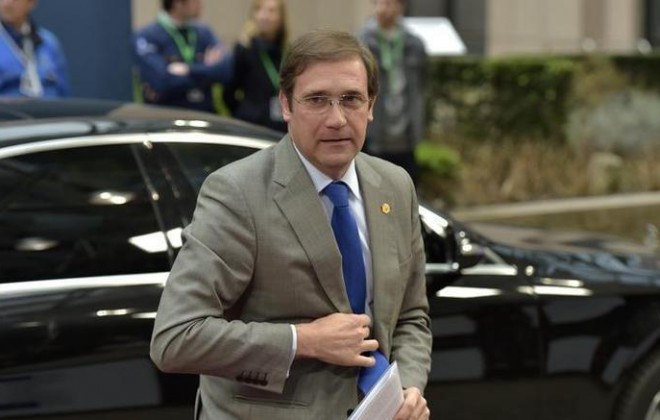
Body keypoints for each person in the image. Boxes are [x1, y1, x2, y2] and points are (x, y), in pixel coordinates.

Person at [150, 29, 432, 420]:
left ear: (371, 105)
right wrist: (302, 340)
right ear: (285, 104)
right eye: (317, 100)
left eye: (351, 99)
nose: (337, 119)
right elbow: (175, 338)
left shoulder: (395, 185)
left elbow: (411, 317)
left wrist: (408, 388)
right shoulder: (237, 193)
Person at [359, 0, 427, 183]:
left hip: (406, 135)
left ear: (401, 6)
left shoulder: (414, 44)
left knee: (407, 189)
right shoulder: (362, 42)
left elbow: (422, 87)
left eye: (388, 3)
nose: (381, 8)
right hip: (374, 134)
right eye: (378, 3)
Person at [133, 0, 232, 113]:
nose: (201, 4)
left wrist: (189, 70)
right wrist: (206, 72)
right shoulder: (147, 36)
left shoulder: (204, 33)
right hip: (166, 115)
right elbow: (161, 82)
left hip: (204, 115)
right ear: (178, 3)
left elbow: (225, 71)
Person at [222, 0, 289, 132]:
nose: (265, 16)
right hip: (251, 125)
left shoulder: (286, 52)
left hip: (280, 126)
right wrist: (245, 113)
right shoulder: (245, 49)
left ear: (281, 17)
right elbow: (228, 92)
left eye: (271, 11)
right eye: (259, 10)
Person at [0, 0, 69, 97]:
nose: (7, 3)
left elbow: (62, 93)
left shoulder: (48, 42)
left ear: (31, 3)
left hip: (48, 105)